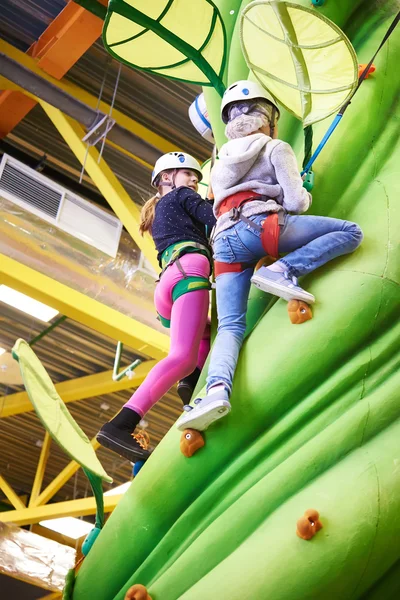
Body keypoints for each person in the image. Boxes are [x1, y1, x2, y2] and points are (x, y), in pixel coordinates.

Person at [177, 80, 363, 432]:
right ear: (270, 118)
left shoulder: (218, 163)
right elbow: (295, 203)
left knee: (230, 325)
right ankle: (284, 270)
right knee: (350, 232)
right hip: (263, 227)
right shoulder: (276, 146)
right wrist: (298, 188)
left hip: (225, 242)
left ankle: (216, 390)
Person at [97, 152, 216, 461]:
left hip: (168, 285)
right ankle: (121, 424)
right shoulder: (181, 195)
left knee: (203, 334)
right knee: (181, 357)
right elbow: (217, 218)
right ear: (167, 178)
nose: (194, 180)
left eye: (196, 177)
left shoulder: (160, 211)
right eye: (188, 174)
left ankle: (190, 388)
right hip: (189, 270)